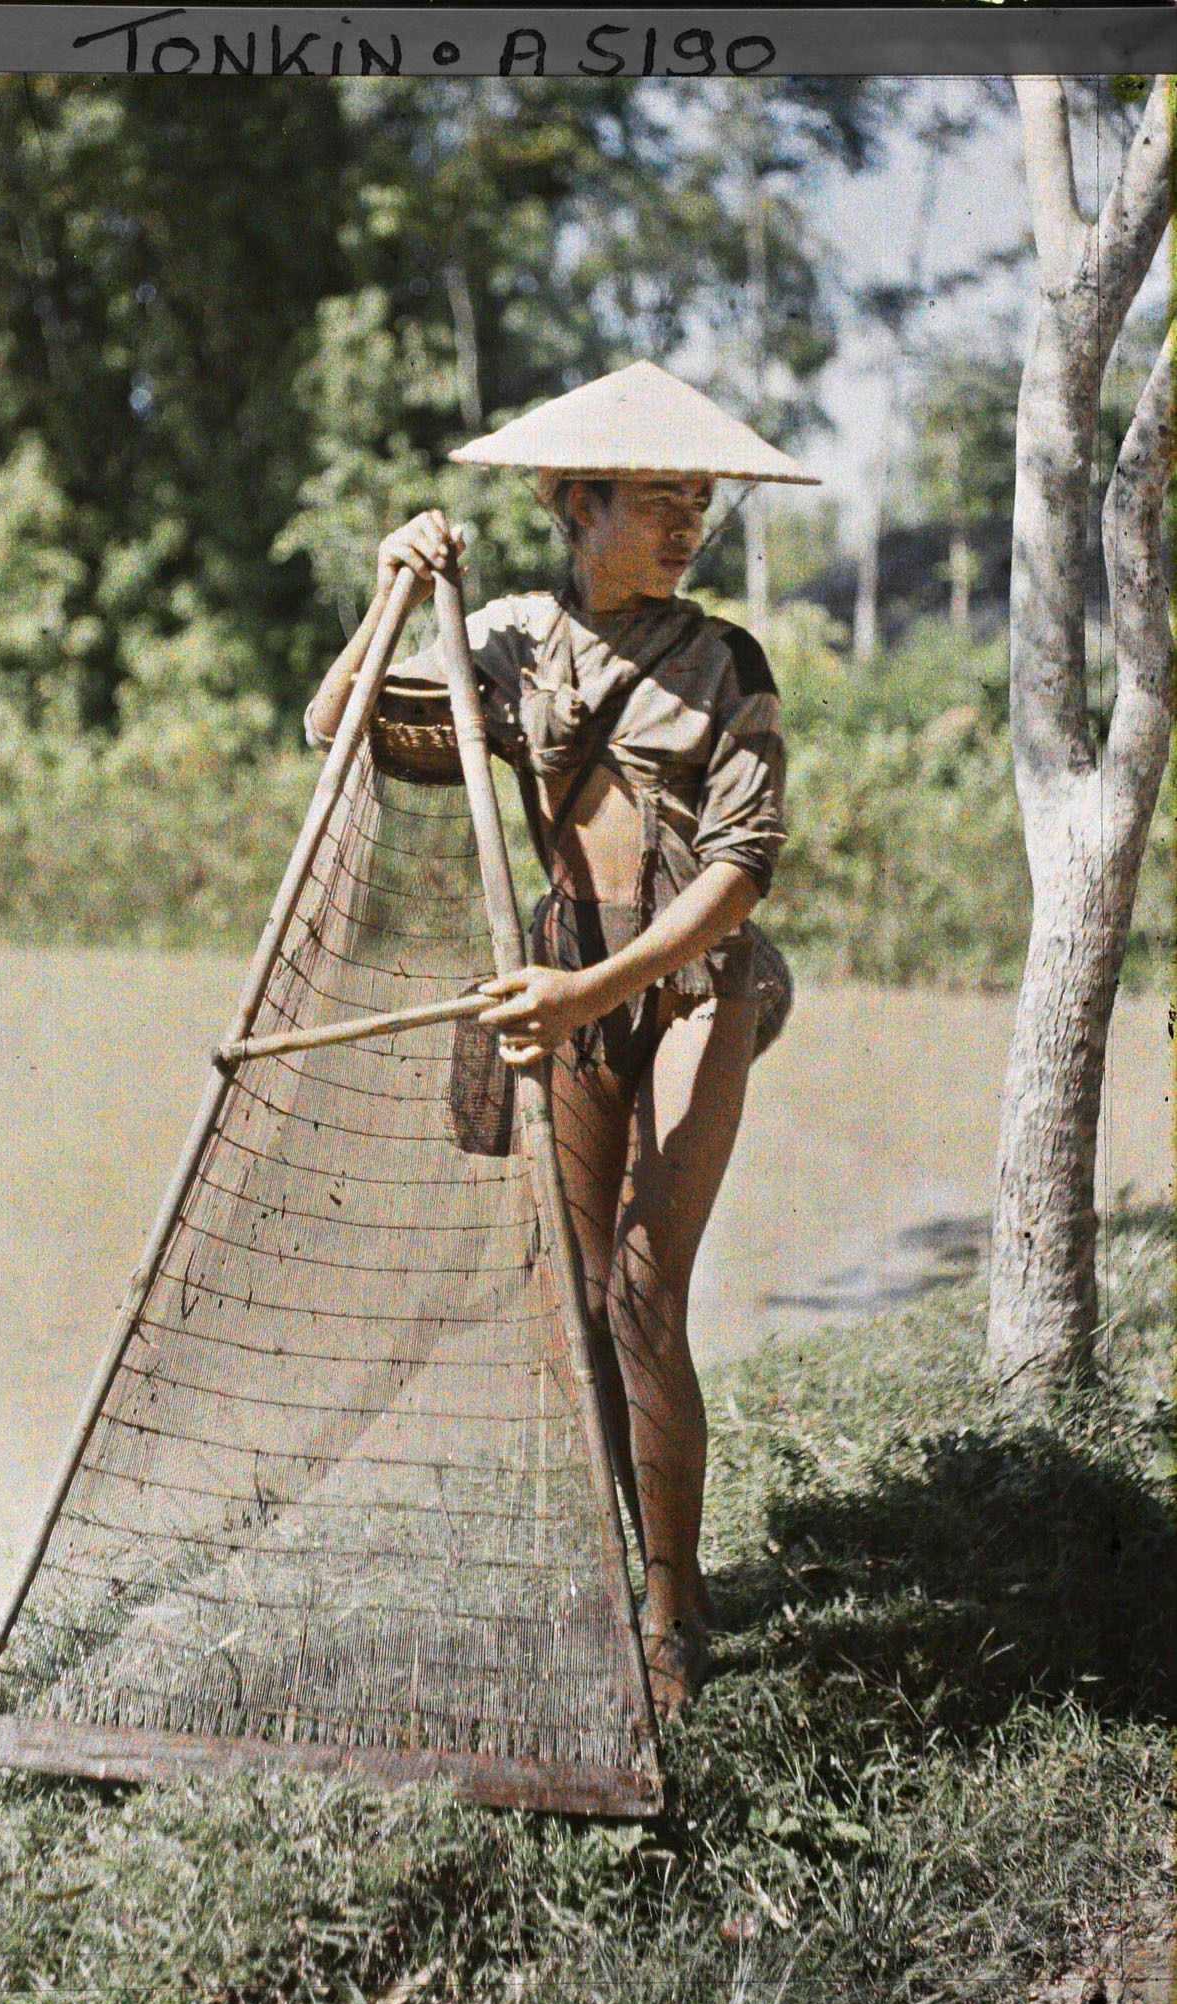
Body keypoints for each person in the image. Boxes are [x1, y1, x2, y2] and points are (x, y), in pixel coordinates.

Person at [304, 362, 816, 1728]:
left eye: (698, 500)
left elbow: (742, 869)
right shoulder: (517, 634)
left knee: (645, 1291)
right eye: (660, 499)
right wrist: (394, 589)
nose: (686, 521)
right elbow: (343, 730)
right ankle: (605, 1569)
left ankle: (671, 1600)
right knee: (570, 1301)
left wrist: (602, 998)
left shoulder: (725, 662)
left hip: (691, 985)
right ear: (574, 504)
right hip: (566, 972)